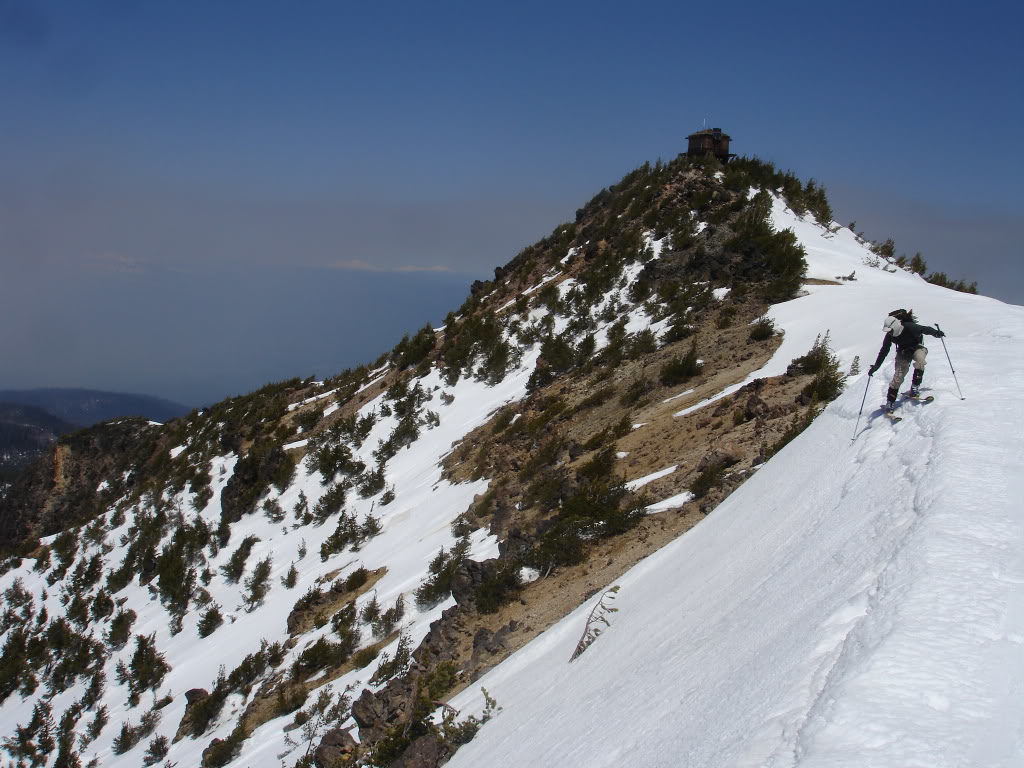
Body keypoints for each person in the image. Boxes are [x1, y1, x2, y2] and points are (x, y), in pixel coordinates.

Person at [867, 308, 945, 412]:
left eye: (890, 330)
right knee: (898, 376)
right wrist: (876, 366)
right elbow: (884, 351)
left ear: (895, 326)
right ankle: (890, 402)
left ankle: (915, 387)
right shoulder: (890, 336)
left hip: (917, 347)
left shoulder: (910, 327)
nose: (888, 333)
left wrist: (936, 333)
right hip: (903, 352)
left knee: (920, 361)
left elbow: (925, 329)